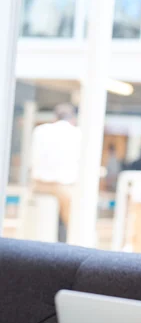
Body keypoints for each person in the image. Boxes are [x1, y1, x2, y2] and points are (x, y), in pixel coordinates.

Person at [30, 103, 81, 242]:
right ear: (73, 118)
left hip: (38, 185)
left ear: (55, 117)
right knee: (76, 220)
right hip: (62, 187)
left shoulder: (40, 131)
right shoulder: (76, 133)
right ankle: (72, 243)